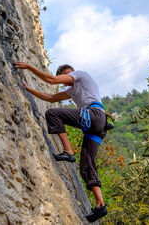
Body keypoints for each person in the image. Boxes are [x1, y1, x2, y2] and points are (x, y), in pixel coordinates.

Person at [14, 61, 108, 222]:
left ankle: (68, 151)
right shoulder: (72, 89)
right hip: (98, 126)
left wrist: (29, 67)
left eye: (66, 75)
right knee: (87, 165)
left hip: (94, 115)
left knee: (52, 114)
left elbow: (50, 80)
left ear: (70, 72)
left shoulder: (80, 75)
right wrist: (29, 89)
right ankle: (100, 205)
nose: (65, 80)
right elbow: (51, 97)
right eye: (64, 79)